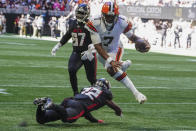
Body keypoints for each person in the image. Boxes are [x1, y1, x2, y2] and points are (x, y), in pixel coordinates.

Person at [84, 2, 150, 104]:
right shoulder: (95, 22)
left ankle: (137, 94)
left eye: (112, 16)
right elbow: (98, 46)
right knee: (109, 65)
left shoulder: (122, 22)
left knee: (112, 70)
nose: (109, 18)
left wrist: (141, 41)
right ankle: (123, 65)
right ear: (102, 14)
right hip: (100, 49)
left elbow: (132, 37)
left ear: (117, 15)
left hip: (115, 48)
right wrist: (110, 60)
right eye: (107, 16)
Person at [51, 4, 97, 96]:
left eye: (82, 13)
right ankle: (76, 93)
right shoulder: (72, 22)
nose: (80, 15)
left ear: (87, 14)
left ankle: (98, 95)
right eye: (78, 13)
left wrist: (93, 46)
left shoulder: (91, 24)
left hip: (88, 53)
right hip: (76, 52)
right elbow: (68, 35)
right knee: (71, 70)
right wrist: (58, 45)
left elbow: (98, 38)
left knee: (91, 78)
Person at [33, 78, 122, 124]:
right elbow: (112, 104)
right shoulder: (104, 94)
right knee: (68, 118)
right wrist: (118, 111)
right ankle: (51, 104)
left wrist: (95, 121)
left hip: (69, 101)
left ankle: (41, 104)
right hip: (78, 106)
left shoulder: (87, 88)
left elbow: (86, 112)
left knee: (41, 119)